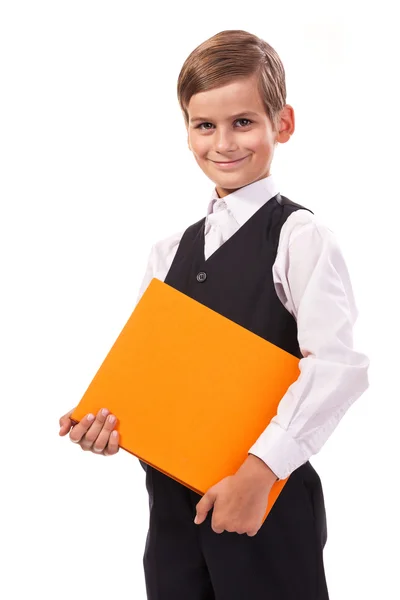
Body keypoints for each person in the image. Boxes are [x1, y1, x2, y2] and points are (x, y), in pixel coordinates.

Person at [59, 29, 370, 599]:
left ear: (283, 123)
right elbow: (159, 383)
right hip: (172, 522)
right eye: (205, 126)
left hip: (268, 510)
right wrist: (109, 426)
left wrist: (260, 472)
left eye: (243, 122)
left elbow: (337, 368)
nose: (223, 143)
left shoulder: (300, 238)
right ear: (186, 130)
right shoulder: (167, 252)